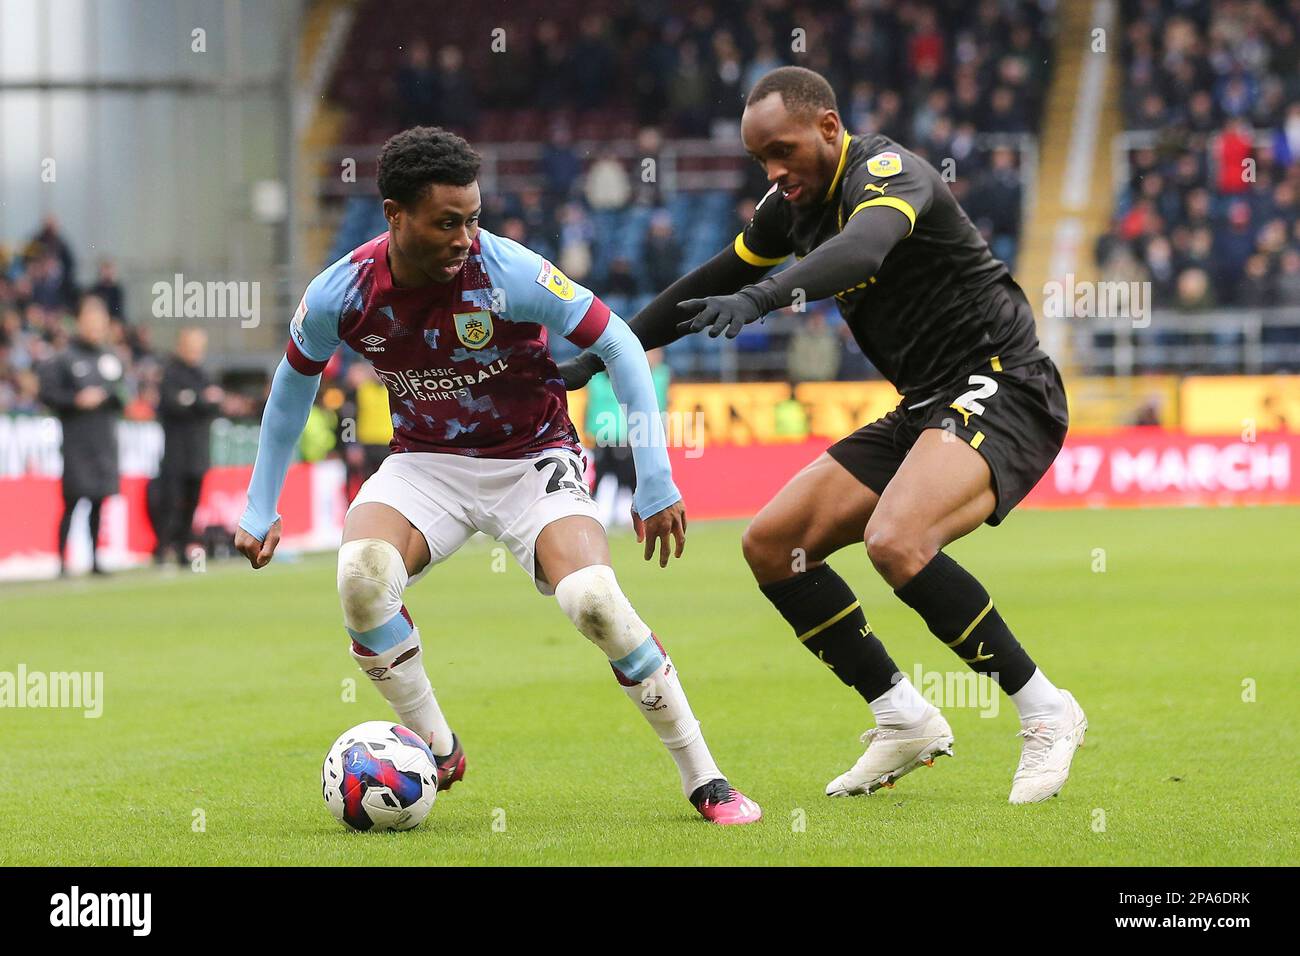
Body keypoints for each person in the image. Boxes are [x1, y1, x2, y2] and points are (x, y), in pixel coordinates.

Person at [561, 67, 1085, 805]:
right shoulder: (789, 207)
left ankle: (1044, 708)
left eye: (783, 150)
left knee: (897, 541)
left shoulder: (887, 172)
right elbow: (704, 284)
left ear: (829, 129)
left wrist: (765, 295)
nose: (774, 172)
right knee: (774, 544)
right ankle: (902, 716)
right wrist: (604, 351)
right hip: (926, 404)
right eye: (759, 161)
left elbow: (864, 251)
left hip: (1003, 382)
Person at [233, 127, 760, 825]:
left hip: (531, 460)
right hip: (425, 462)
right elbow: (290, 390)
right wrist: (259, 503)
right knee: (360, 577)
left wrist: (656, 479)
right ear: (395, 216)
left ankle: (706, 778)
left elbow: (620, 343)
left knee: (595, 601)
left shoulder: (507, 272)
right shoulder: (343, 291)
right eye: (446, 222)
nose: (464, 237)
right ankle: (439, 746)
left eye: (472, 218)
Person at [38, 295, 124, 576]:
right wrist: (76, 400)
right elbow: (47, 394)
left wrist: (107, 396)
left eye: (100, 321)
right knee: (73, 500)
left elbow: (124, 393)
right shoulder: (64, 358)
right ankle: (62, 561)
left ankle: (95, 559)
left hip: (104, 440)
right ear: (79, 322)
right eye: (90, 320)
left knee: (100, 500)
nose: (95, 326)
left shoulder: (111, 358)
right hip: (77, 441)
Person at [153, 327, 223, 565]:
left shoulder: (203, 374)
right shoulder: (170, 373)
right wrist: (200, 400)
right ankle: (163, 548)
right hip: (176, 451)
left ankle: (183, 548)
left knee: (192, 501)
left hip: (198, 450)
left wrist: (195, 400)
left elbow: (212, 403)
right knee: (171, 501)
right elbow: (172, 405)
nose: (195, 351)